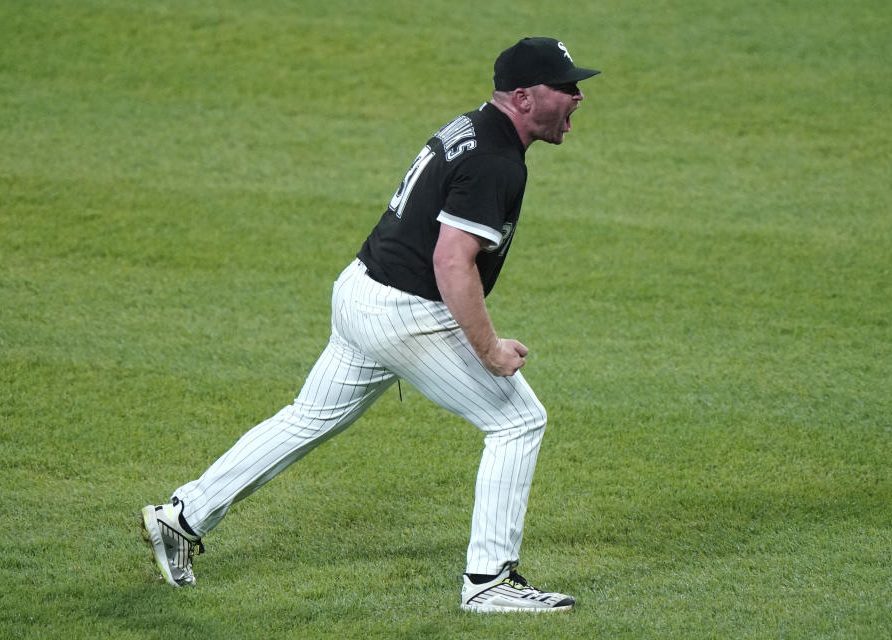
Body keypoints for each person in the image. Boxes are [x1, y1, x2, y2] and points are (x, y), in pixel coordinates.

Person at [141, 36, 599, 613]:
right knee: (518, 421)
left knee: (306, 419)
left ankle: (181, 516)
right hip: (406, 314)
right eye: (566, 87)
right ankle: (489, 581)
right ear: (524, 97)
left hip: (363, 290)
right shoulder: (494, 160)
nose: (578, 97)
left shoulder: (475, 128)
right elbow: (451, 261)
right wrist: (488, 350)